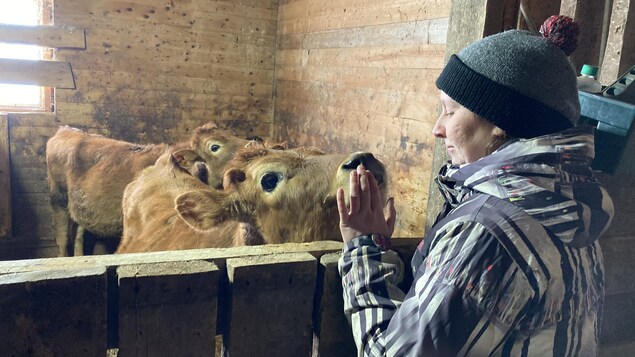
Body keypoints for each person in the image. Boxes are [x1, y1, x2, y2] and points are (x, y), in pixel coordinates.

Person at [336, 15, 614, 356]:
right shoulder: (570, 210)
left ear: (498, 122)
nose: (438, 128)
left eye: (450, 112)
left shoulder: (487, 233)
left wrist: (364, 251)